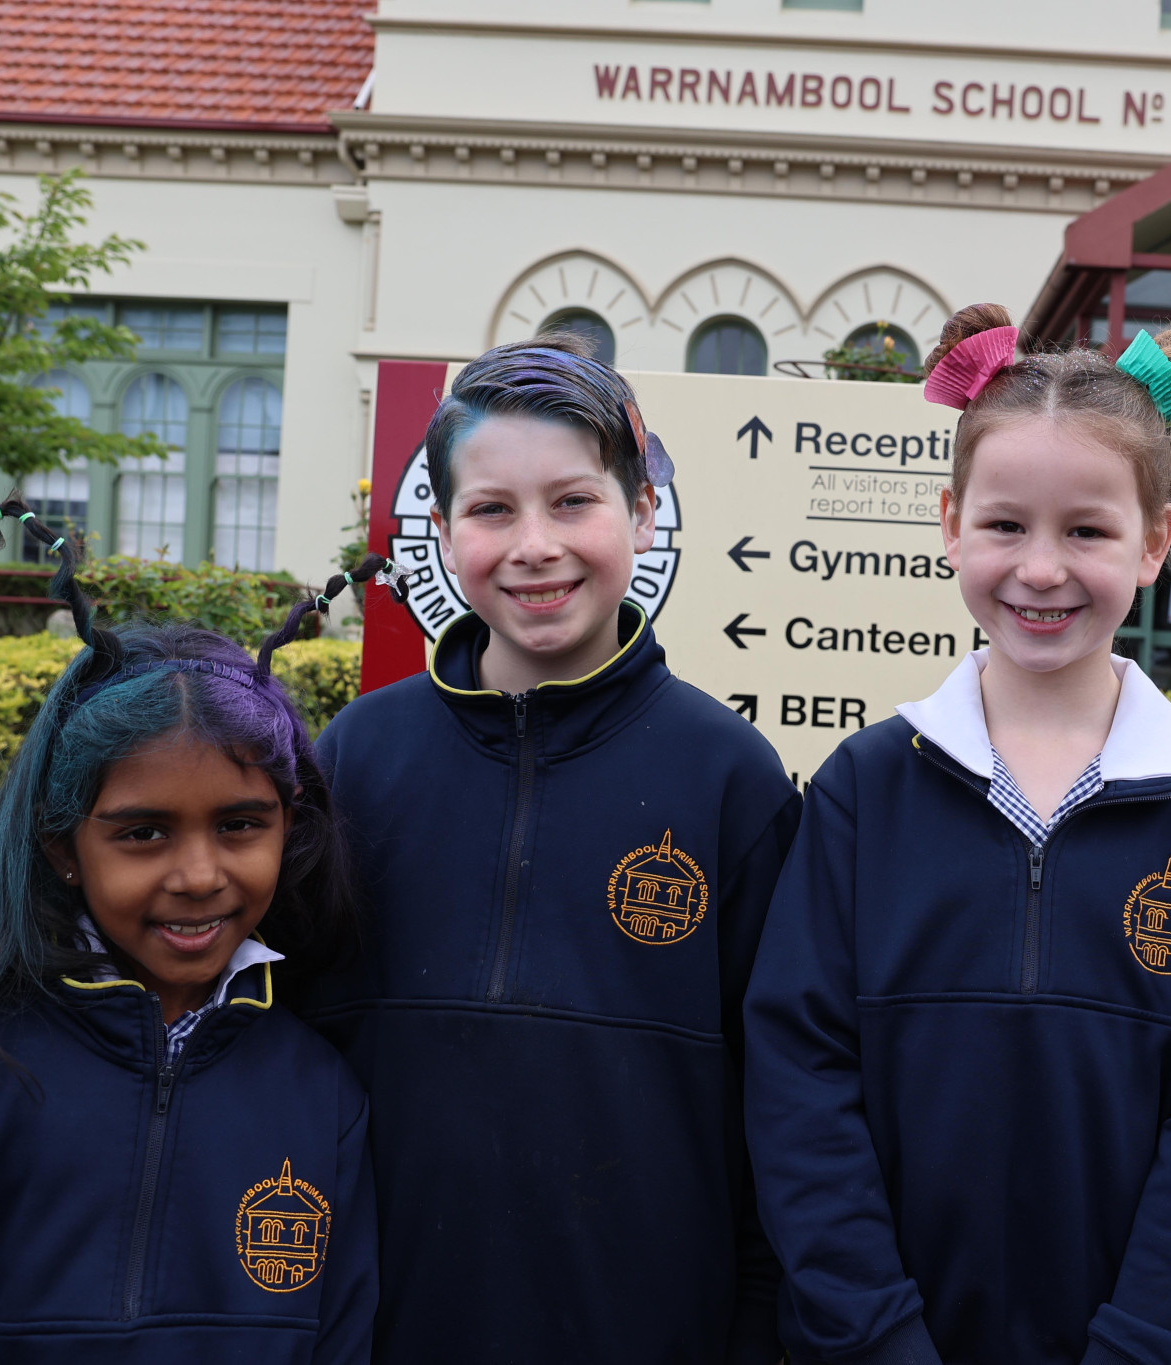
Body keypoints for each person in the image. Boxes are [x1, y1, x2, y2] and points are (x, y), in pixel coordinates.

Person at [743, 305, 1171, 1365]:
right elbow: (801, 1085)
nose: (1041, 569)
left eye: (1085, 530)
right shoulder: (865, 786)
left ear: (1154, 542)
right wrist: (879, 1340)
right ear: (949, 523)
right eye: (1004, 526)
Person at [0, 500, 377, 1363]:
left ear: (291, 824)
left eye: (241, 825)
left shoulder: (320, 1099)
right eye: (143, 832)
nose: (200, 872)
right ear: (64, 848)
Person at [309, 336, 802, 1364]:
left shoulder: (730, 777)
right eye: (492, 510)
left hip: (645, 1323)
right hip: (380, 1323)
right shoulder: (356, 756)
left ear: (644, 513)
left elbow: (784, 1100)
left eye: (573, 502)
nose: (534, 545)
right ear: (440, 533)